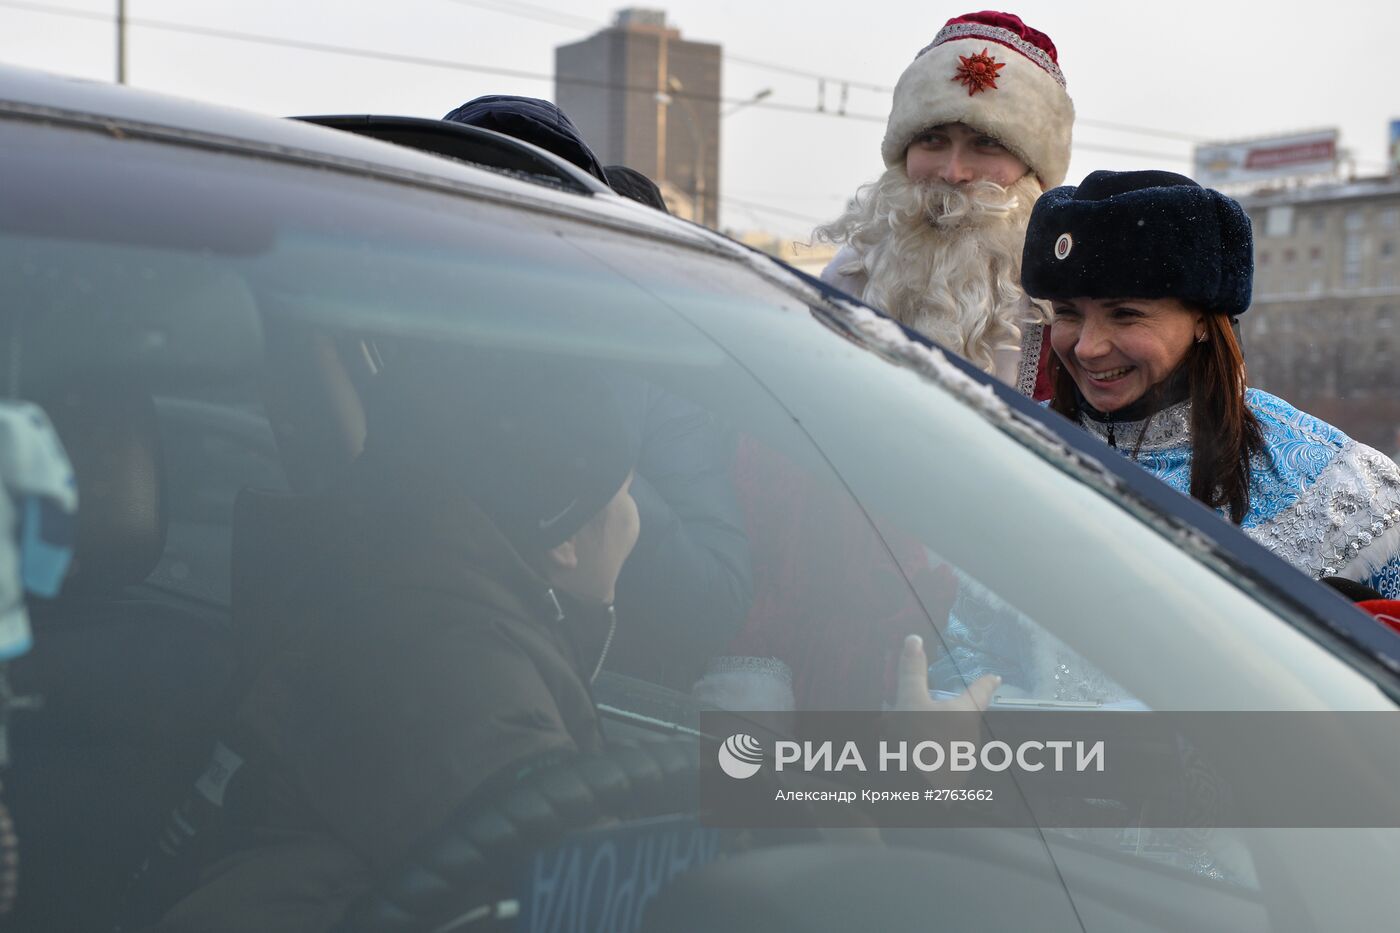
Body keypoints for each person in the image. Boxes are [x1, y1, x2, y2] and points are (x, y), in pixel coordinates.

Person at [150, 352, 641, 933]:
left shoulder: (419, 598)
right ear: (565, 543)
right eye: (627, 493)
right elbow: (599, 892)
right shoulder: (448, 663)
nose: (636, 514)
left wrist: (768, 779)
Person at [441, 97, 753, 687]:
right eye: (479, 219)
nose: (510, 255)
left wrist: (595, 476)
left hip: (595, 700)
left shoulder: (648, 377)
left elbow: (715, 601)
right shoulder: (367, 358)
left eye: (543, 225)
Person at [1022, 169, 1400, 597]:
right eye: (1068, 313)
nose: (1088, 347)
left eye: (1125, 314)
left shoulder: (1336, 485)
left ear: (1203, 319)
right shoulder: (1006, 442)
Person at [815, 11, 1074, 398]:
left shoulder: (1072, 298)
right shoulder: (852, 274)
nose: (954, 173)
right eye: (932, 140)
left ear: (1033, 171)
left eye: (985, 143)